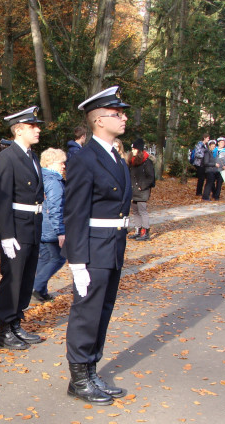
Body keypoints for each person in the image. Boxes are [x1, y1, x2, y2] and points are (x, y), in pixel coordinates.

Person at [64, 86, 132, 405]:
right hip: (92, 249)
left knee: (102, 312)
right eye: (118, 113)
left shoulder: (114, 155)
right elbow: (75, 212)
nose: (124, 117)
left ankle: (90, 370)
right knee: (86, 313)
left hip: (113, 246)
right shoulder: (85, 159)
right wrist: (77, 262)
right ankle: (78, 379)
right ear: (99, 120)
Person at [0, 106, 45, 350]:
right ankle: (4, 329)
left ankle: (16, 323)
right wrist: (6, 235)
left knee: (25, 278)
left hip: (32, 225)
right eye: (33, 126)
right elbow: (0, 199)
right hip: (16, 227)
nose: (38, 129)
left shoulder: (32, 156)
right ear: (19, 129)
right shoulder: (7, 157)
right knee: (12, 279)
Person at [32, 148, 66, 303]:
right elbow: (55, 208)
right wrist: (60, 231)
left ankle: (40, 290)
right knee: (58, 258)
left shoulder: (41, 177)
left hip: (41, 225)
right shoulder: (53, 181)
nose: (64, 166)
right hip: (50, 227)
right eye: (61, 162)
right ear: (52, 163)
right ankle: (36, 287)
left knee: (45, 258)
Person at [127, 138, 155, 241]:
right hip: (133, 190)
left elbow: (151, 177)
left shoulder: (147, 162)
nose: (132, 151)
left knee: (142, 210)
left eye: (134, 149)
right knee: (135, 211)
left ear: (139, 150)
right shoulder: (132, 161)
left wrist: (142, 186)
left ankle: (145, 232)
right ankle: (138, 230)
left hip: (142, 190)